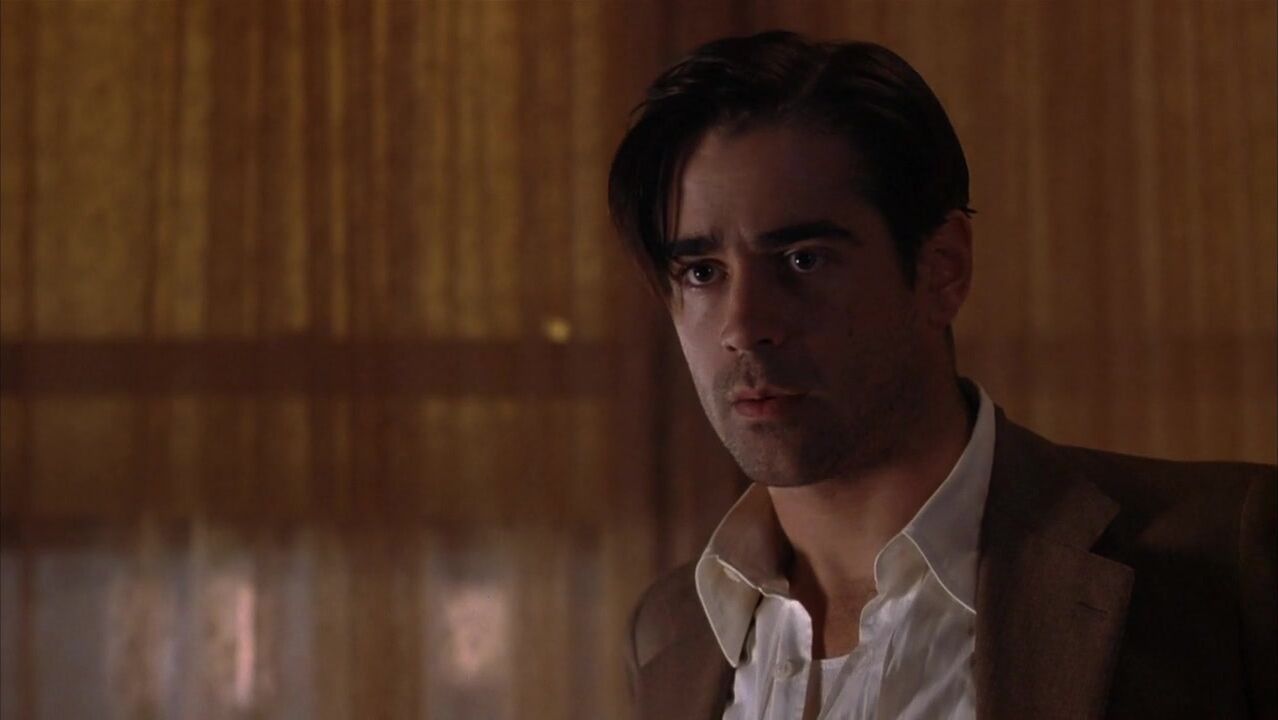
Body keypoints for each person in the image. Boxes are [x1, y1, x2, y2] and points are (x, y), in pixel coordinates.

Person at [607, 31, 1276, 720]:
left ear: (942, 269)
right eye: (702, 273)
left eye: (803, 259)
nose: (744, 325)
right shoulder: (670, 630)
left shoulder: (1227, 558)